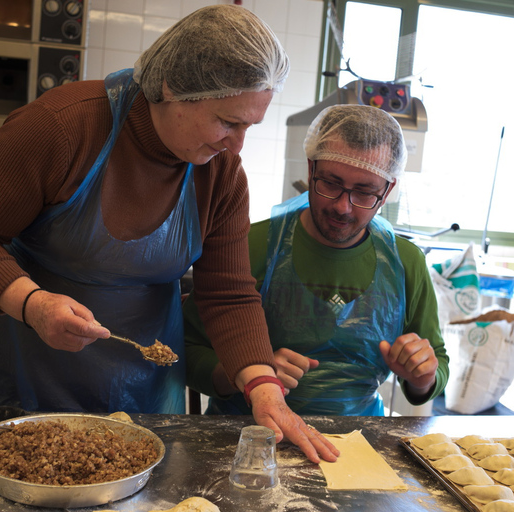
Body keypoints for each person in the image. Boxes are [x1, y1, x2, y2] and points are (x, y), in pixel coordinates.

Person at [0, 4, 337, 463]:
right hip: (21, 370)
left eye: (248, 126)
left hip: (137, 386)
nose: (237, 144)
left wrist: (264, 388)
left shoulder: (220, 174)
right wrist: (33, 302)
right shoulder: (63, 127)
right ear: (173, 88)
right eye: (228, 121)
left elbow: (228, 294)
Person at [184, 104, 449, 416]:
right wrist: (247, 374)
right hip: (249, 439)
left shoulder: (405, 262)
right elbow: (184, 350)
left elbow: (437, 363)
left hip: (360, 442)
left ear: (388, 189)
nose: (343, 207)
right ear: (310, 169)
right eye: (331, 184)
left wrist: (423, 375)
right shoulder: (247, 245)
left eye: (364, 193)